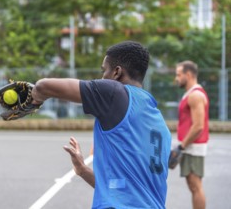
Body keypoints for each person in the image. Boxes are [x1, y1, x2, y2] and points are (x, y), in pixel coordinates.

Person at [31, 41, 172, 208]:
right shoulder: (159, 124)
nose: (102, 76)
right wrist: (83, 170)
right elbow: (121, 191)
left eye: (104, 70)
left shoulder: (115, 92)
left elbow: (43, 86)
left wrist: (33, 100)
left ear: (117, 72)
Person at [174, 60, 209, 209]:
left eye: (178, 75)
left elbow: (198, 126)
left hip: (193, 147)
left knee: (195, 187)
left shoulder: (195, 95)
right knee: (193, 186)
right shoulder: (190, 94)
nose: (176, 78)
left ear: (188, 75)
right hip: (190, 146)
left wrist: (182, 146)